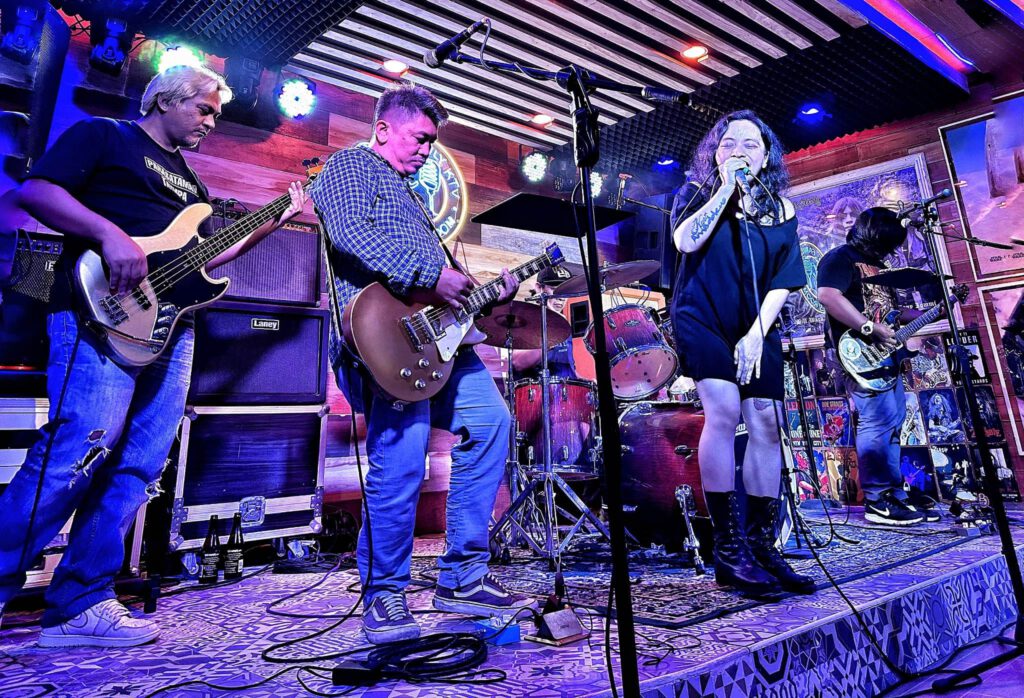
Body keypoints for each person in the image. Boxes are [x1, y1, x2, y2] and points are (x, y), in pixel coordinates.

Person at [0, 65, 306, 645]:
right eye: (205, 109)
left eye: (216, 114)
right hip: (97, 309)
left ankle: (79, 605)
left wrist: (275, 222)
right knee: (77, 451)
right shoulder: (105, 135)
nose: (212, 122)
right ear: (166, 99)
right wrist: (108, 234)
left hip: (170, 328)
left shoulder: (191, 186)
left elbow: (207, 257)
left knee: (139, 465)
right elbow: (36, 192)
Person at [310, 83, 533, 645]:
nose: (427, 150)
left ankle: (462, 577)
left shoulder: (410, 195)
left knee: (492, 422)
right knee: (402, 459)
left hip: (438, 343)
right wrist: (433, 275)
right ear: (384, 128)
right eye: (420, 138)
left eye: (433, 142)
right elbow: (350, 232)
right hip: (383, 342)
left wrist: (481, 291)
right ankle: (384, 593)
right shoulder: (350, 166)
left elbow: (438, 287)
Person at [670, 110, 813, 595]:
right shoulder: (696, 192)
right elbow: (684, 241)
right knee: (725, 411)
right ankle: (728, 549)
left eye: (750, 144)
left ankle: (762, 544)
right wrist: (726, 190)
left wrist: (756, 333)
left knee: (767, 422)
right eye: (728, 143)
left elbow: (785, 278)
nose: (738, 150)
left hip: (756, 324)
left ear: (767, 156)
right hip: (702, 315)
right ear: (715, 153)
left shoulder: (782, 209)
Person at [817, 207, 939, 525]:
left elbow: (890, 313)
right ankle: (876, 499)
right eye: (888, 244)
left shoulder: (879, 267)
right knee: (876, 422)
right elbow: (827, 295)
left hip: (886, 356)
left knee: (893, 423)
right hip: (858, 354)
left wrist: (933, 312)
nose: (890, 251)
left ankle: (894, 493)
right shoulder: (840, 258)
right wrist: (867, 327)